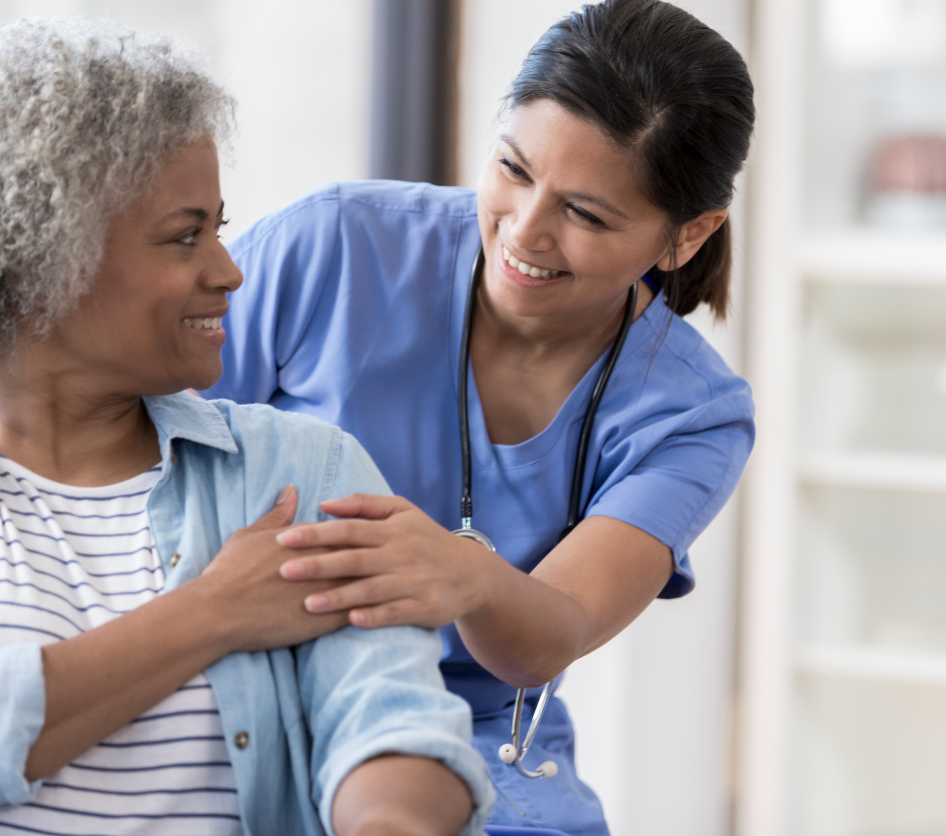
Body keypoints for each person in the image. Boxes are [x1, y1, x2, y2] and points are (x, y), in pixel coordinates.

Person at [0, 19, 495, 836]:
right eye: (185, 234)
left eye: (220, 228)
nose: (229, 270)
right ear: (37, 266)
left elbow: (389, 717)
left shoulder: (301, 470)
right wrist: (212, 611)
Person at [202, 1, 756, 833]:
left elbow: (546, 638)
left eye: (587, 214)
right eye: (513, 169)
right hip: (243, 670)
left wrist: (467, 575)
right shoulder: (340, 244)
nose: (524, 231)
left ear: (686, 237)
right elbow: (140, 439)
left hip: (478, 733)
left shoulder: (694, 414)